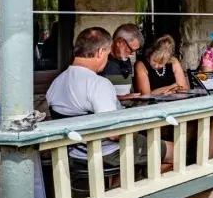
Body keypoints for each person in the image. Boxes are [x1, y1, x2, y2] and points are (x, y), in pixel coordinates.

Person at [47, 27, 173, 170]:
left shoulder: (55, 83)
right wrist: (137, 127)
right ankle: (140, 184)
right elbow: (114, 134)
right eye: (107, 54)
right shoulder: (98, 84)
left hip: (75, 152)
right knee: (176, 151)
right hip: (107, 152)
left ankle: (129, 181)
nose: (107, 60)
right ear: (101, 52)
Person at [100, 23, 144, 97]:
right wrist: (123, 98)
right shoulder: (101, 60)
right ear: (119, 42)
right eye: (131, 50)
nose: (132, 54)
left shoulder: (126, 60)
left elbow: (128, 90)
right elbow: (96, 95)